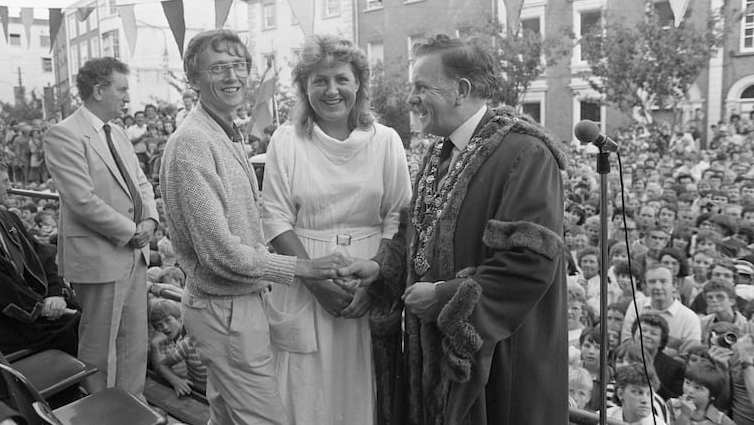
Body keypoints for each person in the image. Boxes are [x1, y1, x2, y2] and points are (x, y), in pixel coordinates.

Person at [340, 34, 569, 424]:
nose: (412, 98)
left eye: (421, 87)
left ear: (461, 90)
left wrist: (446, 298)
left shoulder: (525, 153)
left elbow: (529, 264)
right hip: (434, 363)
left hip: (497, 365)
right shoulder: (440, 152)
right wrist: (383, 268)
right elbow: (418, 238)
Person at [158, 29, 350, 425]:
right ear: (193, 79)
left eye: (238, 66)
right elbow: (220, 254)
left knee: (227, 416)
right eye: (218, 68)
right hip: (225, 309)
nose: (232, 76)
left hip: (231, 305)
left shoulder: (223, 133)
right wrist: (303, 268)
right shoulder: (194, 143)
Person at [260, 35, 412, 424]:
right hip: (304, 277)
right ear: (304, 88)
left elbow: (399, 215)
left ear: (358, 83)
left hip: (367, 279)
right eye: (319, 81)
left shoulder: (386, 141)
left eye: (341, 79)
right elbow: (275, 217)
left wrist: (375, 280)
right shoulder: (286, 141)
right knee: (303, 392)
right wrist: (316, 282)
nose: (332, 91)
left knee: (363, 390)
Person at [43, 57, 159, 397]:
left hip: (134, 254)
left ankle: (131, 408)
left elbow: (142, 183)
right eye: (121, 89)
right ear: (99, 90)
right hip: (100, 257)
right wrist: (131, 230)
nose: (127, 97)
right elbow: (81, 200)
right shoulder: (64, 134)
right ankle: (99, 412)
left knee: (133, 342)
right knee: (99, 346)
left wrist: (150, 219)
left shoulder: (119, 133)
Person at [0, 158, 79, 355]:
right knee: (76, 325)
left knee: (85, 315)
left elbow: (42, 255)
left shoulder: (5, 216)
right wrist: (41, 308)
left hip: (30, 304)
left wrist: (55, 293)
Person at [148, 298, 207, 396]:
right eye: (159, 325)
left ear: (180, 318)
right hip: (189, 386)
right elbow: (159, 368)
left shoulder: (190, 335)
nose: (165, 327)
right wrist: (154, 346)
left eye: (168, 321)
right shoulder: (167, 341)